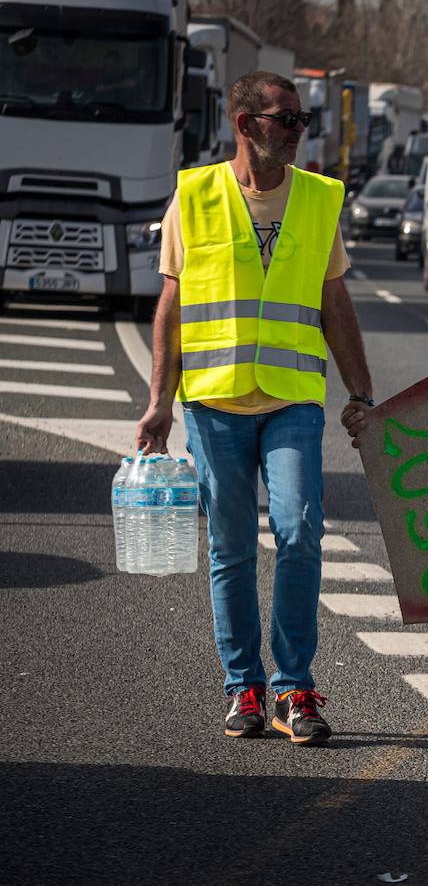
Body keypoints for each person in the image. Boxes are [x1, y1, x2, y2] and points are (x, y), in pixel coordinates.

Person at [135, 71, 375, 747]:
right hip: (213, 402)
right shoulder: (195, 195)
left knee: (299, 532)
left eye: (302, 121)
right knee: (233, 550)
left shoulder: (320, 200)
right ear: (246, 125)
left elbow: (335, 305)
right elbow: (172, 308)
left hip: (293, 400)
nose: (299, 131)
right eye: (287, 120)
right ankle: (243, 685)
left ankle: (293, 688)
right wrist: (158, 402)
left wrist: (362, 394)